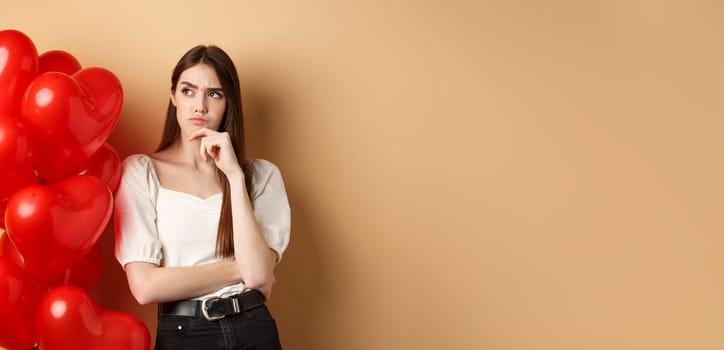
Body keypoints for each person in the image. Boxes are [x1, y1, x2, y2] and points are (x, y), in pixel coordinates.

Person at [113, 45, 291, 350]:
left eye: (214, 94)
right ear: (173, 96)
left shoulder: (260, 176)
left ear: (228, 103)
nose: (200, 106)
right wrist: (238, 269)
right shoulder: (141, 172)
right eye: (188, 91)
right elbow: (145, 287)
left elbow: (259, 276)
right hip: (186, 333)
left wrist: (234, 176)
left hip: (253, 328)